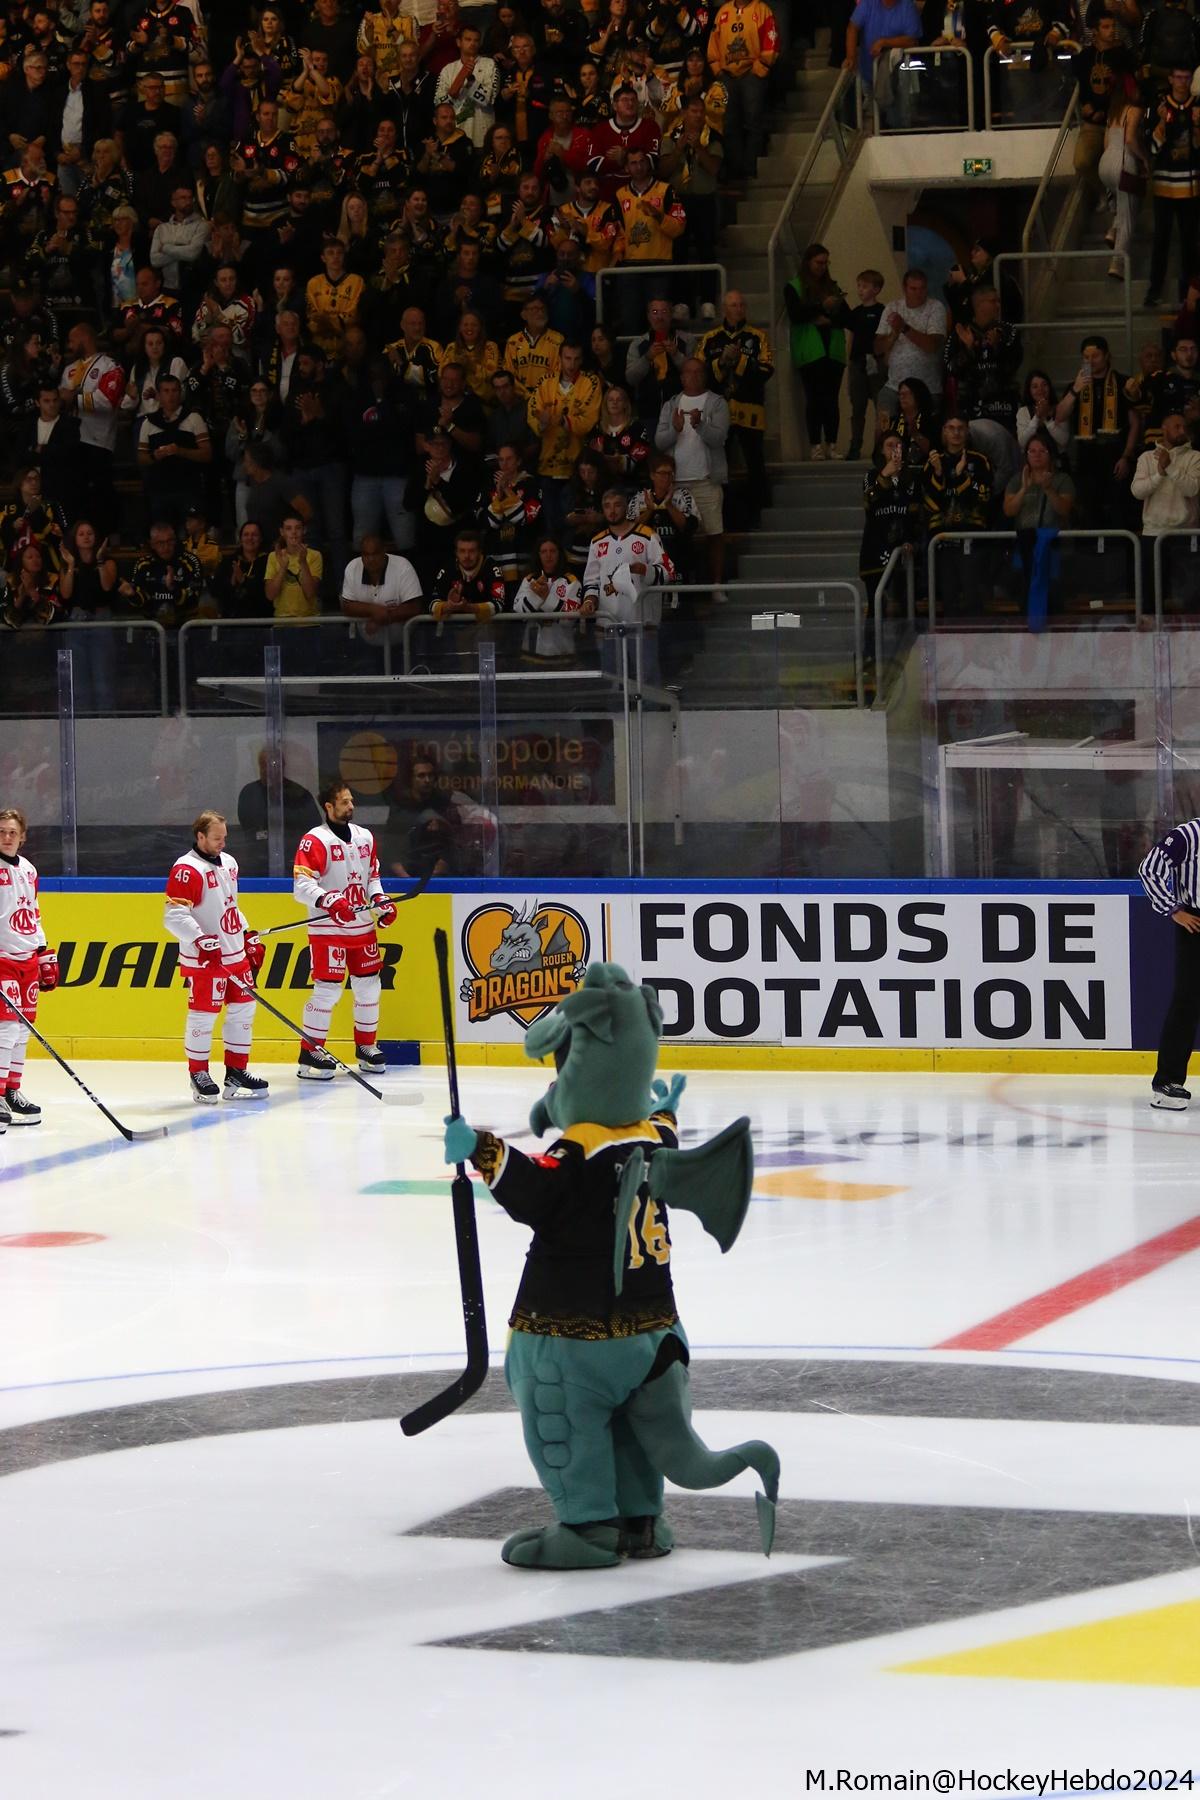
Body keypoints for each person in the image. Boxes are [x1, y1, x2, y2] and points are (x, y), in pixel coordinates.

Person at [291, 778, 397, 1079]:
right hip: (328, 929)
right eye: (344, 801)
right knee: (327, 990)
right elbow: (301, 885)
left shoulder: (365, 837)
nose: (351, 805)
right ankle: (310, 1052)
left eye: (351, 800)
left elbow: (372, 877)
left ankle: (366, 1047)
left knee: (369, 986)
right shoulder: (314, 840)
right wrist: (329, 899)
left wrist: (380, 902)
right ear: (329, 806)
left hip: (362, 928)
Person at [163, 809, 269, 1104]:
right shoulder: (186, 869)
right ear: (200, 836)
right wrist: (200, 939)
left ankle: (237, 1071)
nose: (222, 843)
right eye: (216, 838)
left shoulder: (229, 863)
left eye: (224, 837)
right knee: (203, 1015)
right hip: (205, 960)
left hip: (234, 954)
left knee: (244, 1010)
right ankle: (198, 1074)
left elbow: (230, 905)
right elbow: (174, 915)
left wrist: (246, 933)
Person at [0, 805, 57, 1130]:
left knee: (22, 1030)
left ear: (22, 837)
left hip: (27, 960)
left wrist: (43, 952)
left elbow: (34, 913)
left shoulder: (29, 870)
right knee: (6, 1029)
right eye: (2, 832)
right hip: (2, 959)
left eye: (13, 832)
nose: (7, 837)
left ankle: (11, 1091)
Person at [1138, 816, 1200, 1107]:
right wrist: (1173, 909)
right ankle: (1167, 1082)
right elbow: (1149, 869)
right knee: (1187, 1002)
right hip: (1196, 924)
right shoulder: (1189, 834)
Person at [784, 243, 851, 459]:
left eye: (825, 263)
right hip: (810, 350)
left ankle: (831, 443)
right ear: (808, 262)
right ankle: (815, 445)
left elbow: (847, 317)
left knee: (831, 399)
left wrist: (828, 318)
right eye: (818, 263)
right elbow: (796, 314)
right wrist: (822, 307)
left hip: (833, 349)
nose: (822, 267)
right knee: (814, 398)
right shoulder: (794, 287)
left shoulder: (833, 287)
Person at [874, 269, 948, 418]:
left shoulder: (935, 307)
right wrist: (893, 335)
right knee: (883, 422)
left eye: (922, 288)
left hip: (926, 388)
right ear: (904, 288)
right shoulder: (892, 307)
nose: (918, 293)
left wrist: (904, 328)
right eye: (913, 289)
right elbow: (877, 348)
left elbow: (932, 346)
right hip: (895, 386)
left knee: (919, 428)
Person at [514, 534, 585, 659]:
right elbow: (519, 611)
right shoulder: (529, 580)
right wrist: (538, 597)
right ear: (538, 555)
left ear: (559, 554)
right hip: (532, 653)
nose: (548, 555)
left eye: (552, 551)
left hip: (563, 652)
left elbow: (569, 619)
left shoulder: (572, 582)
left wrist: (545, 597)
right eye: (543, 552)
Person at [340, 533, 425, 637]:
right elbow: (347, 607)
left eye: (375, 554)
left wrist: (383, 617)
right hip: (365, 641)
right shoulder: (352, 567)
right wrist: (373, 610)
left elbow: (414, 607)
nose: (371, 559)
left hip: (405, 639)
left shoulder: (403, 566)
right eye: (366, 554)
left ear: (384, 551)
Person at [236, 748, 322, 842]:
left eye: (274, 765)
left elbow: (314, 824)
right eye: (264, 765)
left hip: (293, 847)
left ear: (282, 766)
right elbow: (248, 827)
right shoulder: (249, 793)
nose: (268, 770)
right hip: (257, 847)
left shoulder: (300, 793)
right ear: (259, 766)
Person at [265, 514, 323, 618]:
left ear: (304, 530)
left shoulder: (315, 555)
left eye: (298, 528)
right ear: (282, 532)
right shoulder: (274, 556)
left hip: (309, 621)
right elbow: (270, 595)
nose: (293, 532)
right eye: (288, 528)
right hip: (282, 621)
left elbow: (310, 593)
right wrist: (283, 568)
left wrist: (303, 562)